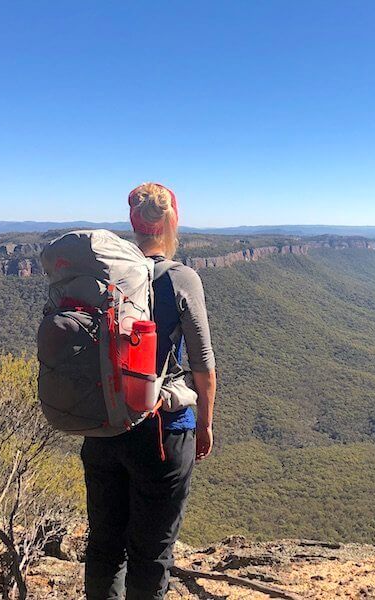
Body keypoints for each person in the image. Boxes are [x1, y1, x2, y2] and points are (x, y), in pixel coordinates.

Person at [80, 182, 217, 599]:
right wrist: (206, 425)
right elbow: (204, 365)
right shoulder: (181, 278)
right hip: (162, 431)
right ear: (172, 221)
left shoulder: (105, 276)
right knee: (152, 552)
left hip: (103, 427)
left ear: (133, 223)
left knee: (105, 545)